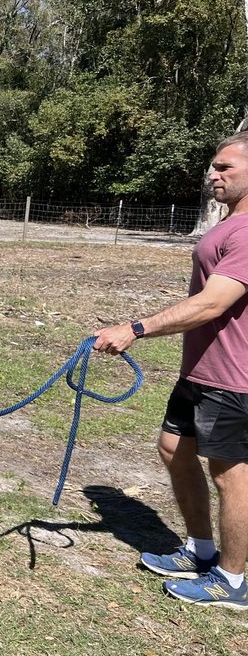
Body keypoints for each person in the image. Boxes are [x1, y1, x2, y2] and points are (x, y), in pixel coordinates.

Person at [93, 131, 248, 611]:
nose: (213, 174)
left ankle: (233, 580)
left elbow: (213, 303)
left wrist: (136, 328)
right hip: (203, 369)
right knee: (174, 448)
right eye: (213, 166)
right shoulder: (231, 224)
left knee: (230, 474)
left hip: (235, 377)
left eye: (225, 167)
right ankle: (202, 551)